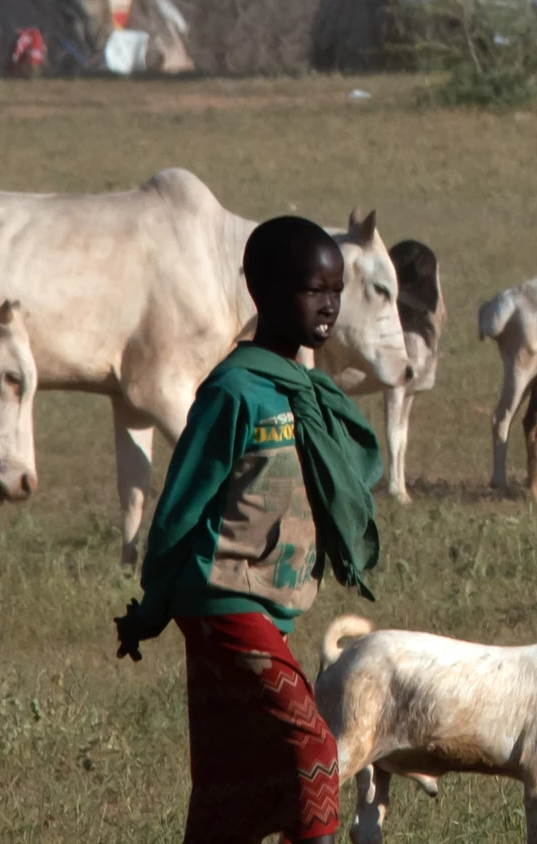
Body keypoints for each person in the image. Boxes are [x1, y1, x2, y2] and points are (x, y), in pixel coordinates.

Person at [116, 216, 385, 844]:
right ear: (263, 291)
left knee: (229, 779)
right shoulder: (235, 393)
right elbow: (181, 508)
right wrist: (152, 606)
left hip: (270, 608)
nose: (328, 304)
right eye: (312, 289)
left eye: (336, 291)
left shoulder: (305, 392)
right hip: (222, 598)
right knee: (313, 746)